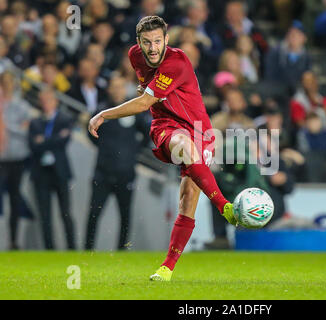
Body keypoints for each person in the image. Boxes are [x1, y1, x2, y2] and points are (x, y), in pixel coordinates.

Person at [88, 16, 239, 281]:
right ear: (138, 43)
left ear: (167, 40)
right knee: (181, 143)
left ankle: (166, 268)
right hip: (166, 125)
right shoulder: (135, 56)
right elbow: (146, 100)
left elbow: (144, 99)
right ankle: (224, 205)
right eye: (147, 42)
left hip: (200, 129)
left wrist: (106, 112)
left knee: (188, 198)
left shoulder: (177, 61)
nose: (153, 47)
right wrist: (141, 93)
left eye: (158, 41)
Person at [85, 76, 150, 250]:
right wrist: (106, 150)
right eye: (114, 87)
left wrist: (132, 151)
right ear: (109, 90)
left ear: (125, 89)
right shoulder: (101, 111)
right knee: (94, 213)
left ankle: (121, 250)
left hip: (126, 172)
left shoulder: (133, 110)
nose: (117, 90)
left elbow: (147, 133)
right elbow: (90, 133)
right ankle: (87, 250)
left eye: (120, 87)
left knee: (125, 215)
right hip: (103, 171)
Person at [28, 87, 75, 250]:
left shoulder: (65, 118)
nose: (46, 104)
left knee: (66, 212)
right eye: (43, 101)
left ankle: (72, 248)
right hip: (41, 172)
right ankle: (49, 249)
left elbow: (64, 141)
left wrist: (44, 140)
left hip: (60, 171)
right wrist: (54, 139)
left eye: (49, 100)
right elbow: (33, 145)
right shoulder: (35, 122)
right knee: (45, 215)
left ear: (55, 101)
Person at [0, 71, 32, 250]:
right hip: (1, 158)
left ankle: (13, 241)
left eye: (9, 82)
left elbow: (26, 130)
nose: (7, 86)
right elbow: (21, 128)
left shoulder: (22, 105)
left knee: (14, 198)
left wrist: (5, 126)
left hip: (17, 158)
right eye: (4, 82)